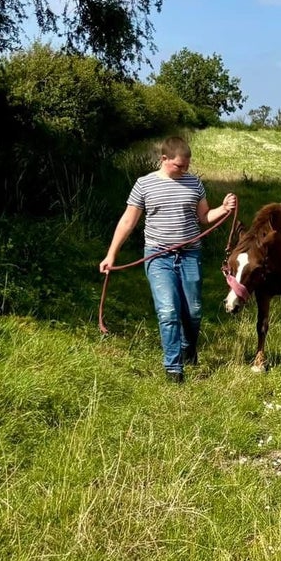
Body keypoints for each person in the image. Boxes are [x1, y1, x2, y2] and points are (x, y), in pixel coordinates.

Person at [99, 135, 237, 381]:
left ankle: (188, 349)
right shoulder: (144, 184)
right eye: (179, 165)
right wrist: (111, 255)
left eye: (187, 165)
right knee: (168, 311)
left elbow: (204, 218)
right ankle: (173, 368)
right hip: (158, 256)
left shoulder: (194, 184)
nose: (184, 170)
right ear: (164, 159)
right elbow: (128, 221)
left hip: (190, 254)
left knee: (193, 312)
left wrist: (224, 209)